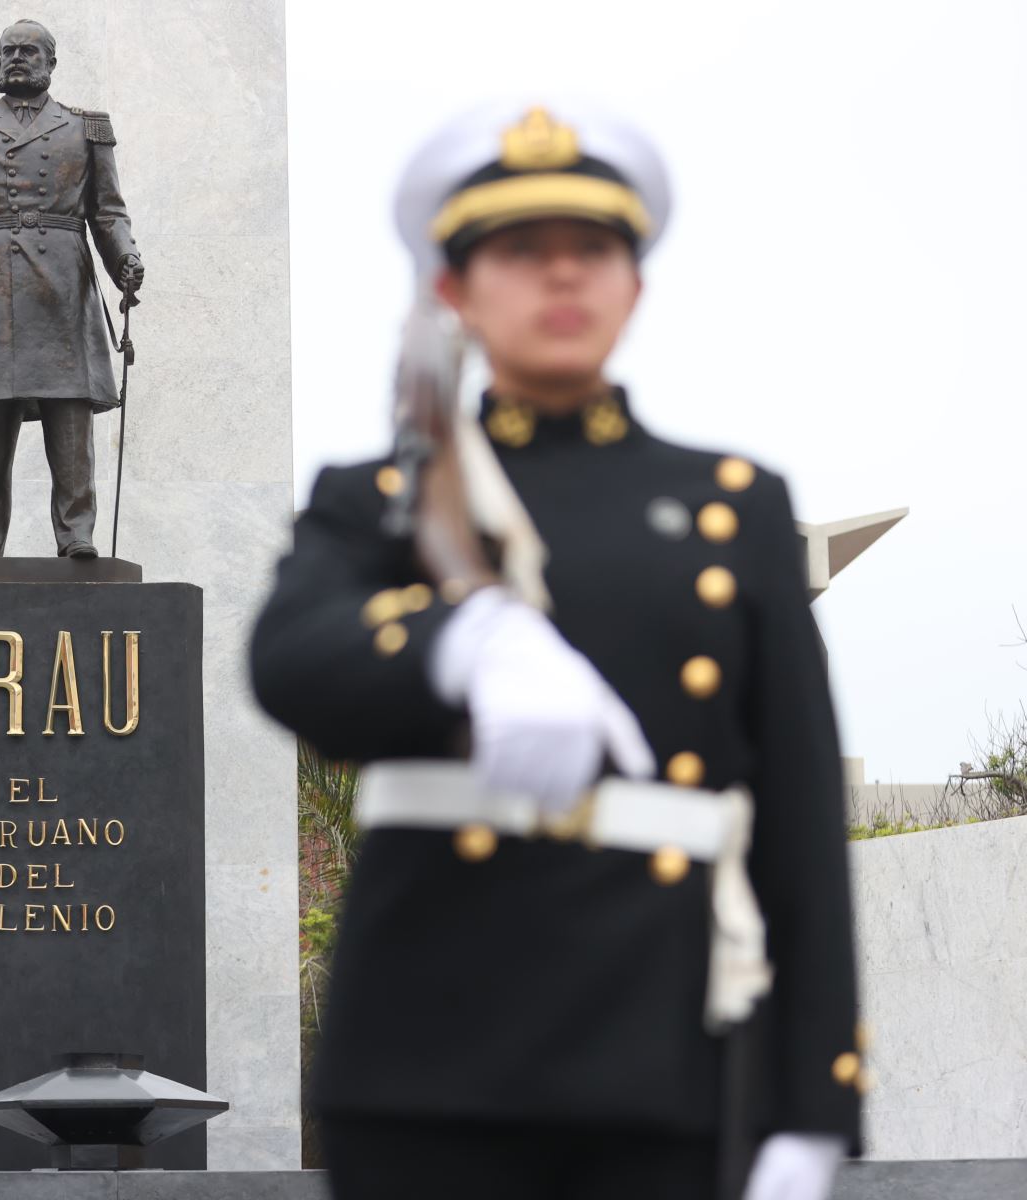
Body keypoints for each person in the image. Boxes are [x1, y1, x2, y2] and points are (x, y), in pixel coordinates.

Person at [250, 102, 864, 1199]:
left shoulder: (734, 506)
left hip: (662, 1056)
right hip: (427, 1061)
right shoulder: (384, 502)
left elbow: (802, 833)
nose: (563, 279)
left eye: (593, 251)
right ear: (454, 292)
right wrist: (461, 638)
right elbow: (289, 659)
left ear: (637, 286)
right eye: (522, 254)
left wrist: (813, 1110)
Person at [0, 18, 145, 559]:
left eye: (28, 51)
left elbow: (108, 212)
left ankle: (76, 536)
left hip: (62, 287)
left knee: (68, 412)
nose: (16, 59)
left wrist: (126, 259)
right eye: (8, 51)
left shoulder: (85, 128)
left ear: (51, 62)